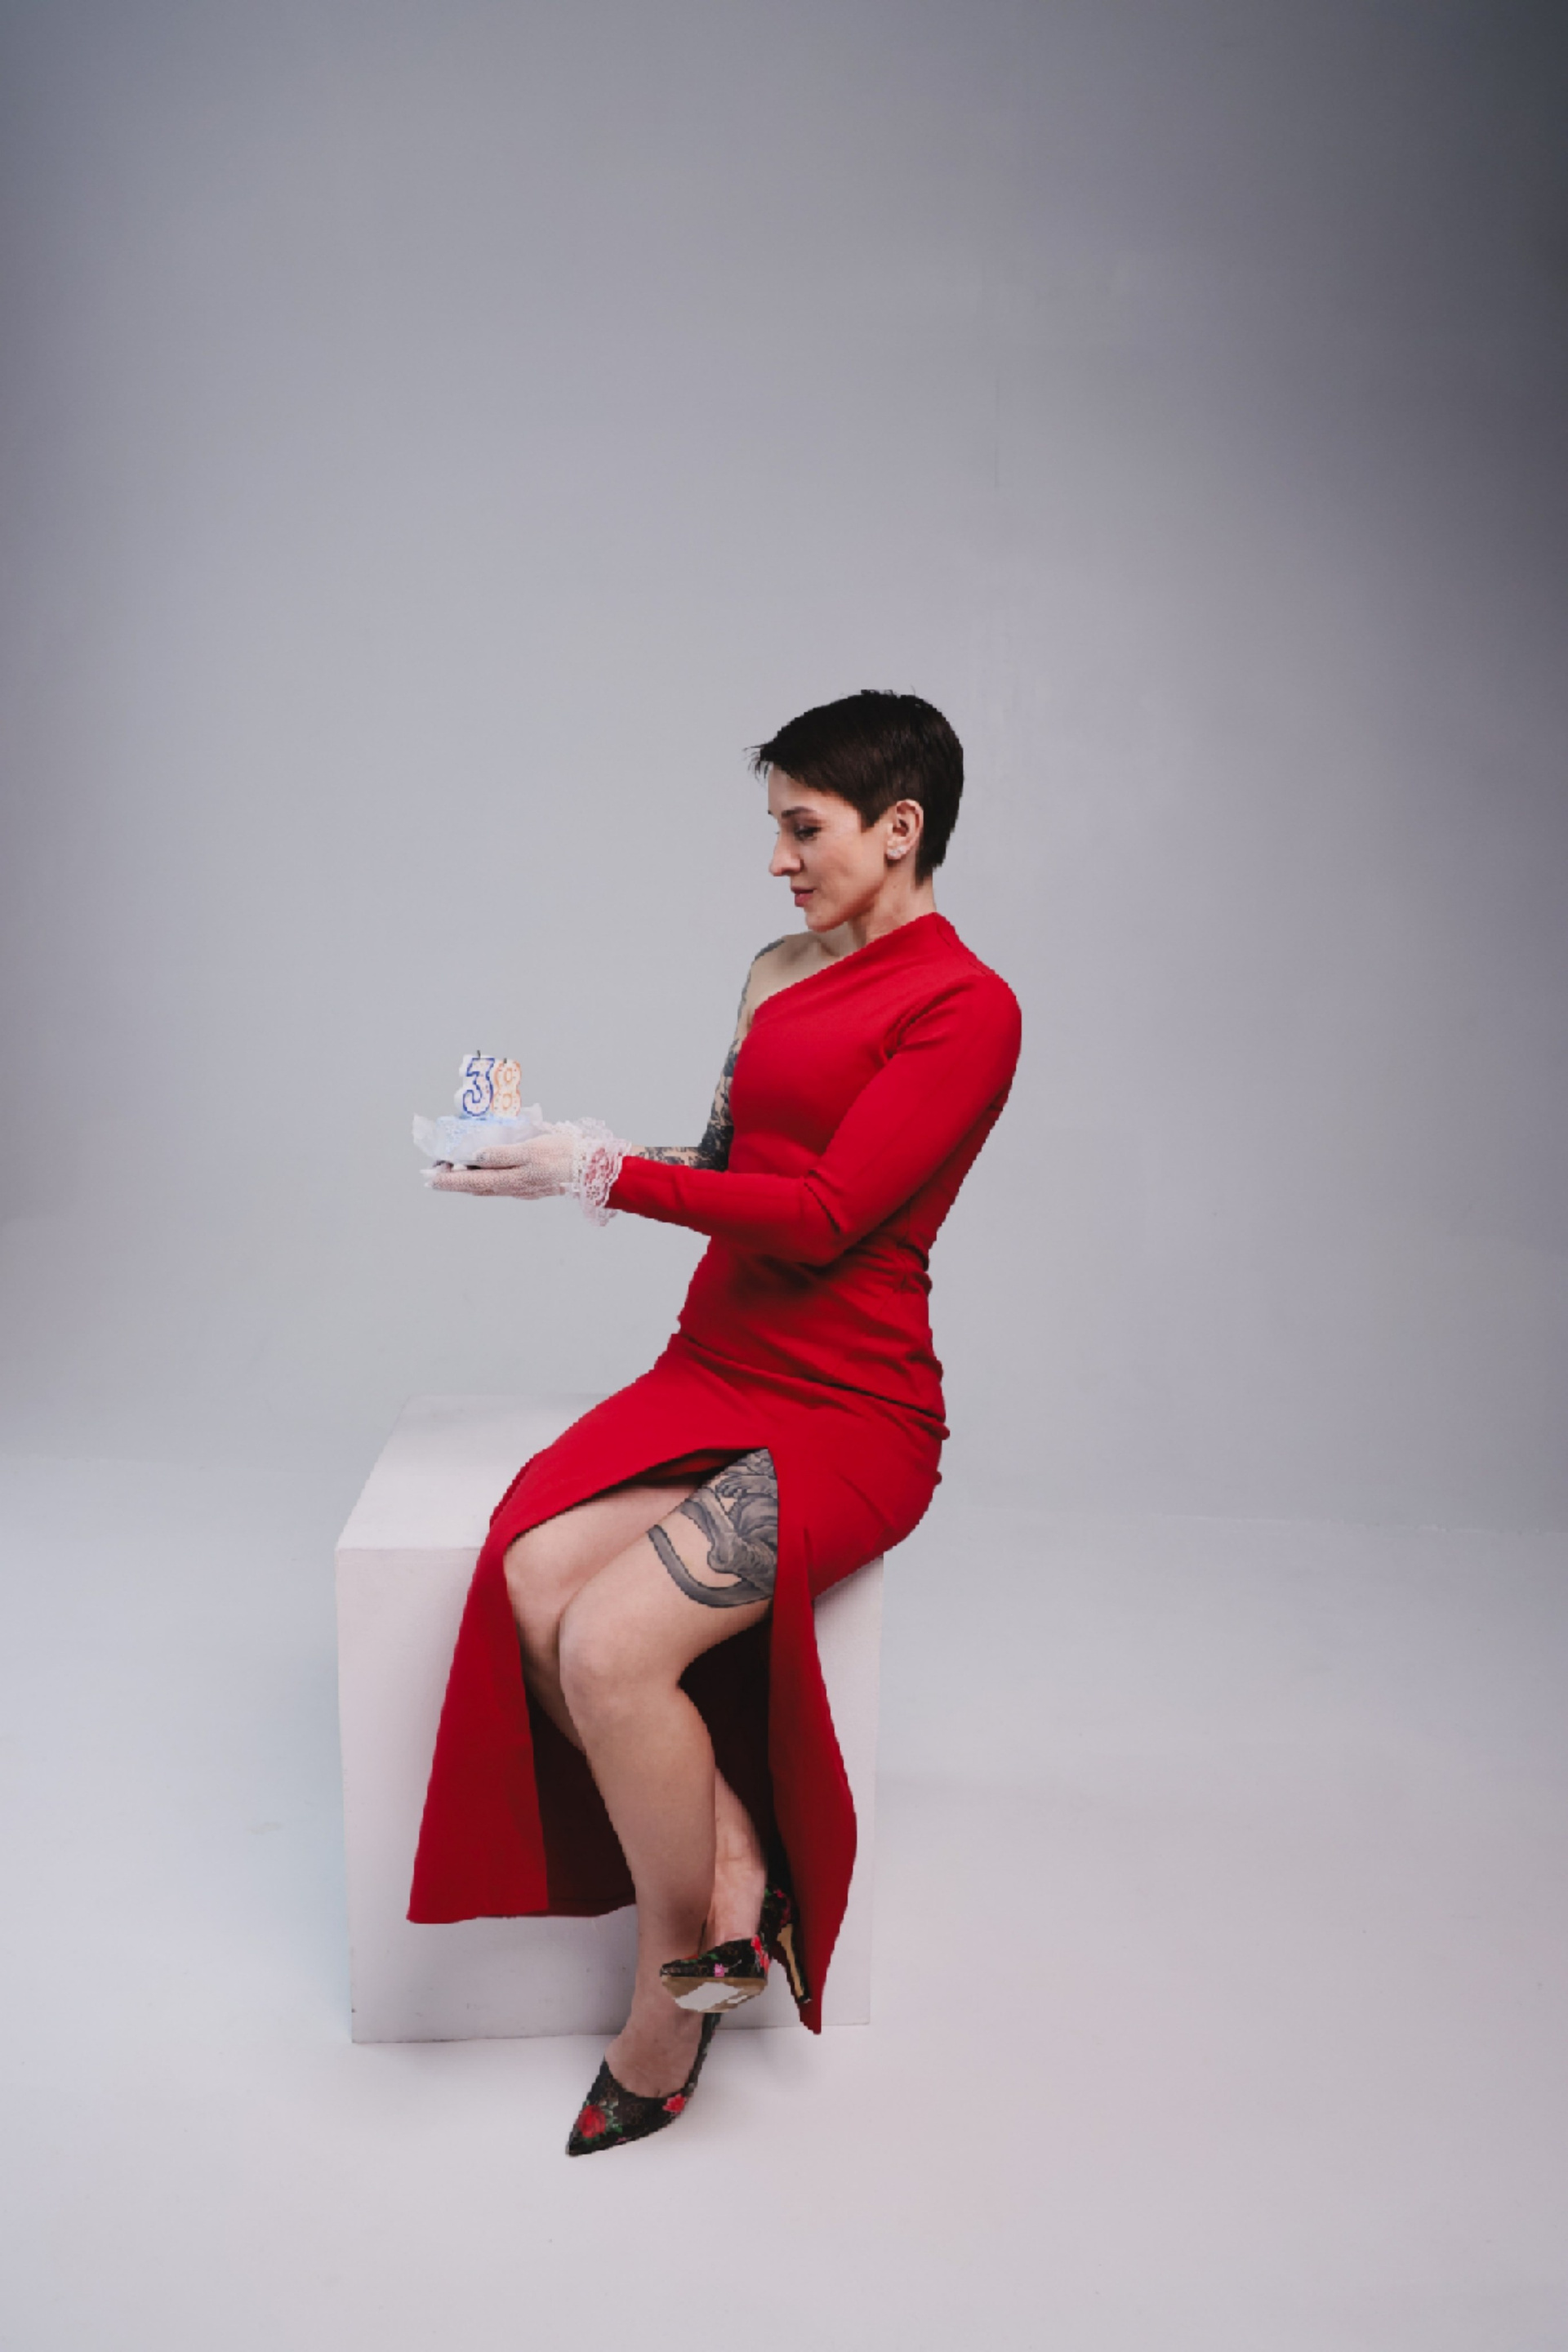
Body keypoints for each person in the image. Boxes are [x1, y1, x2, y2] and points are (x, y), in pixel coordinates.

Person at [416, 689, 1021, 2154]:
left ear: (901, 827)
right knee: (530, 1578)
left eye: (804, 829)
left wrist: (600, 1177)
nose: (778, 861)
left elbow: (822, 1217)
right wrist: (555, 1151)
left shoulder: (967, 1008)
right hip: (722, 1357)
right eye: (775, 828)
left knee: (610, 1646)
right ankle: (739, 1867)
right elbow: (731, 1158)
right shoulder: (774, 969)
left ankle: (673, 1993)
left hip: (854, 1402)